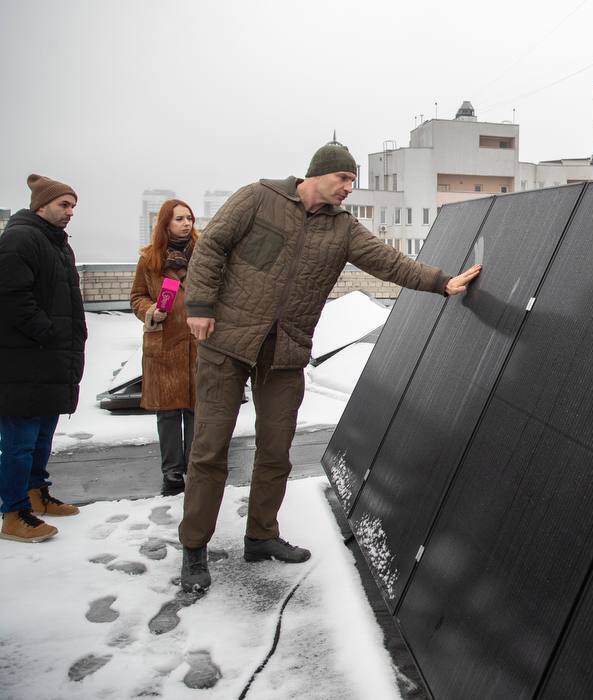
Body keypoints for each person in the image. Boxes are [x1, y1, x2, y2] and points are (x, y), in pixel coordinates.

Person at [178, 139, 482, 592]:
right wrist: (199, 305)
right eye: (343, 178)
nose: (348, 188)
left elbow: (388, 261)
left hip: (285, 352)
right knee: (209, 449)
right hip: (227, 343)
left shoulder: (343, 228)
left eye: (353, 181)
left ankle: (261, 535)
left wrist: (441, 282)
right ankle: (194, 550)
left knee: (276, 449)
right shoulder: (258, 197)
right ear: (317, 173)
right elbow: (211, 248)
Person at [0, 174, 85, 543]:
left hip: (48, 360)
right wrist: (47, 331)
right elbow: (12, 297)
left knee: (42, 435)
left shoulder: (57, 244)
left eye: (73, 207)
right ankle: (14, 512)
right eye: (63, 205)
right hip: (24, 360)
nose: (70, 212)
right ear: (41, 205)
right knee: (19, 441)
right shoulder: (20, 238)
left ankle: (37, 492)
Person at [130, 199, 199, 496]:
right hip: (165, 344)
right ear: (165, 224)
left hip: (199, 342)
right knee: (169, 412)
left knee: (198, 409)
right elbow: (136, 297)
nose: (186, 224)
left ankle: (197, 468)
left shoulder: (205, 254)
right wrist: (150, 312)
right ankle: (172, 473)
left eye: (190, 218)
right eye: (179, 219)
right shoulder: (150, 259)